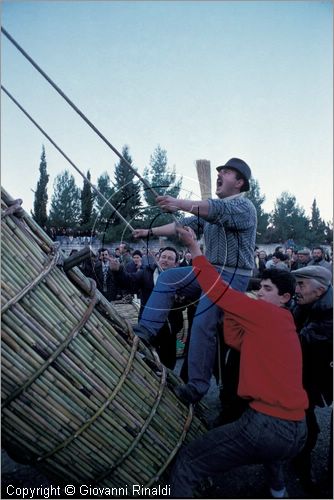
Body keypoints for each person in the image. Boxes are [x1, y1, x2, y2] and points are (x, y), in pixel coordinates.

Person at [169, 226, 308, 499]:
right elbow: (236, 341)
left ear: (285, 298)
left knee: (188, 462)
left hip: (267, 424)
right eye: (260, 287)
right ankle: (279, 493)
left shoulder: (267, 314)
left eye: (267, 289)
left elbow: (218, 291)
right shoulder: (281, 322)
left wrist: (195, 249)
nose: (260, 293)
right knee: (273, 458)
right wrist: (235, 310)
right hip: (296, 430)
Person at [132, 158, 257, 403]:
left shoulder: (244, 208)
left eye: (227, 172)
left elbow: (214, 210)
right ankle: (146, 330)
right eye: (219, 171)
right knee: (168, 277)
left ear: (240, 182)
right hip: (209, 270)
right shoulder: (209, 211)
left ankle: (197, 387)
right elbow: (182, 226)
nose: (220, 174)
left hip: (232, 276)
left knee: (202, 323)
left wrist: (177, 202)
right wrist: (148, 232)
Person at [290, 265, 333, 492]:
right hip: (308, 376)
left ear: (319, 291)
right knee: (305, 425)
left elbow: (296, 341)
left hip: (319, 376)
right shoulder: (306, 303)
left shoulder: (330, 317)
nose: (296, 289)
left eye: (301, 284)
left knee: (309, 428)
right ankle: (300, 464)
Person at [110, 247, 184, 369]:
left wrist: (180, 299)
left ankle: (168, 385)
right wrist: (118, 271)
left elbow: (187, 301)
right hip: (148, 326)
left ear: (176, 264)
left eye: (170, 258)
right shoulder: (147, 273)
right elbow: (129, 281)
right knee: (150, 361)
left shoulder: (181, 279)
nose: (165, 260)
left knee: (168, 362)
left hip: (170, 328)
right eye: (163, 257)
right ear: (158, 259)